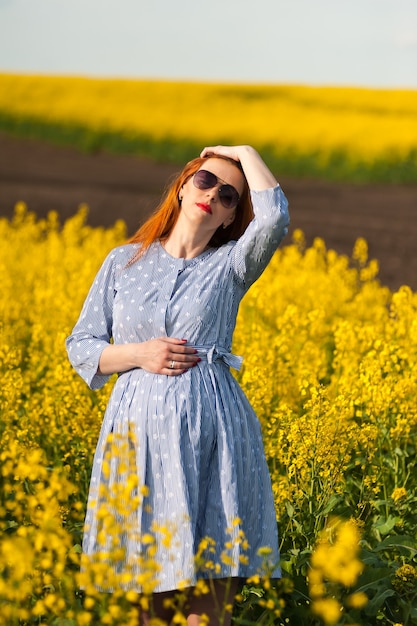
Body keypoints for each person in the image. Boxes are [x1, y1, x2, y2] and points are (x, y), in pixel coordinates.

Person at [66, 145, 290, 625]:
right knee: (152, 606)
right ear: (184, 185)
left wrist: (241, 151)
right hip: (140, 439)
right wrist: (138, 354)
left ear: (232, 217)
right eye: (206, 181)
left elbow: (273, 219)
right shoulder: (123, 261)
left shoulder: (232, 265)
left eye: (230, 195)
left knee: (206, 611)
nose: (214, 194)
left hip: (215, 436)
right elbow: (81, 344)